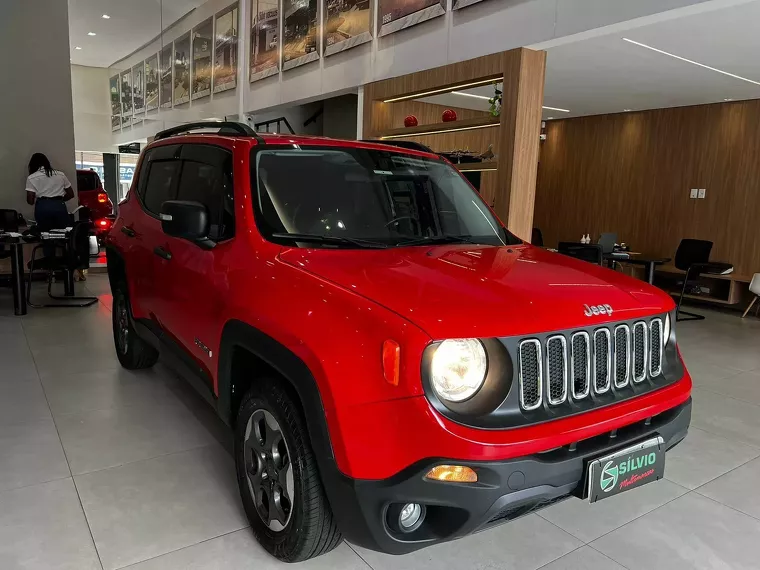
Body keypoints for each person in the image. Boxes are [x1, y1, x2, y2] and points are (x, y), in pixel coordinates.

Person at [25, 153, 75, 257]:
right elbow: (71, 194)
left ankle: (50, 265)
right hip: (59, 206)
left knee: (46, 236)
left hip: (43, 207)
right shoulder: (60, 174)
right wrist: (58, 200)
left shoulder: (32, 177)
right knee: (64, 235)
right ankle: (66, 265)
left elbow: (30, 200)